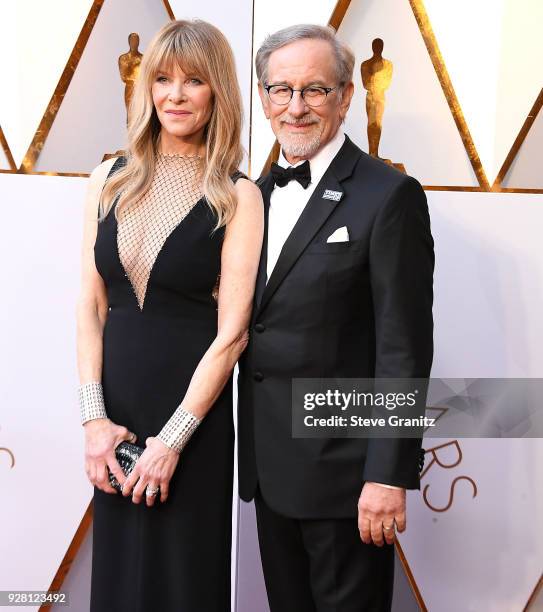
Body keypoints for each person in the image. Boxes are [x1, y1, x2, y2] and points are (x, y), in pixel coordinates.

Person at [237, 24, 434, 611]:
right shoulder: (253, 194)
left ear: (347, 96)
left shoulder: (389, 195)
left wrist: (387, 474)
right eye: (281, 90)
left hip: (350, 482)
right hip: (270, 474)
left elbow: (404, 348)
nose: (295, 107)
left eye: (314, 90)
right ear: (265, 100)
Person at [76, 20, 263, 612]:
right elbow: (90, 303)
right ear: (146, 89)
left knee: (182, 582)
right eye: (163, 79)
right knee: (119, 580)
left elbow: (233, 335)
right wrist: (93, 421)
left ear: (219, 93)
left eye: (194, 81)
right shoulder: (107, 179)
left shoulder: (239, 194)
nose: (176, 95)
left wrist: (173, 441)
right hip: (115, 419)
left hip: (193, 421)